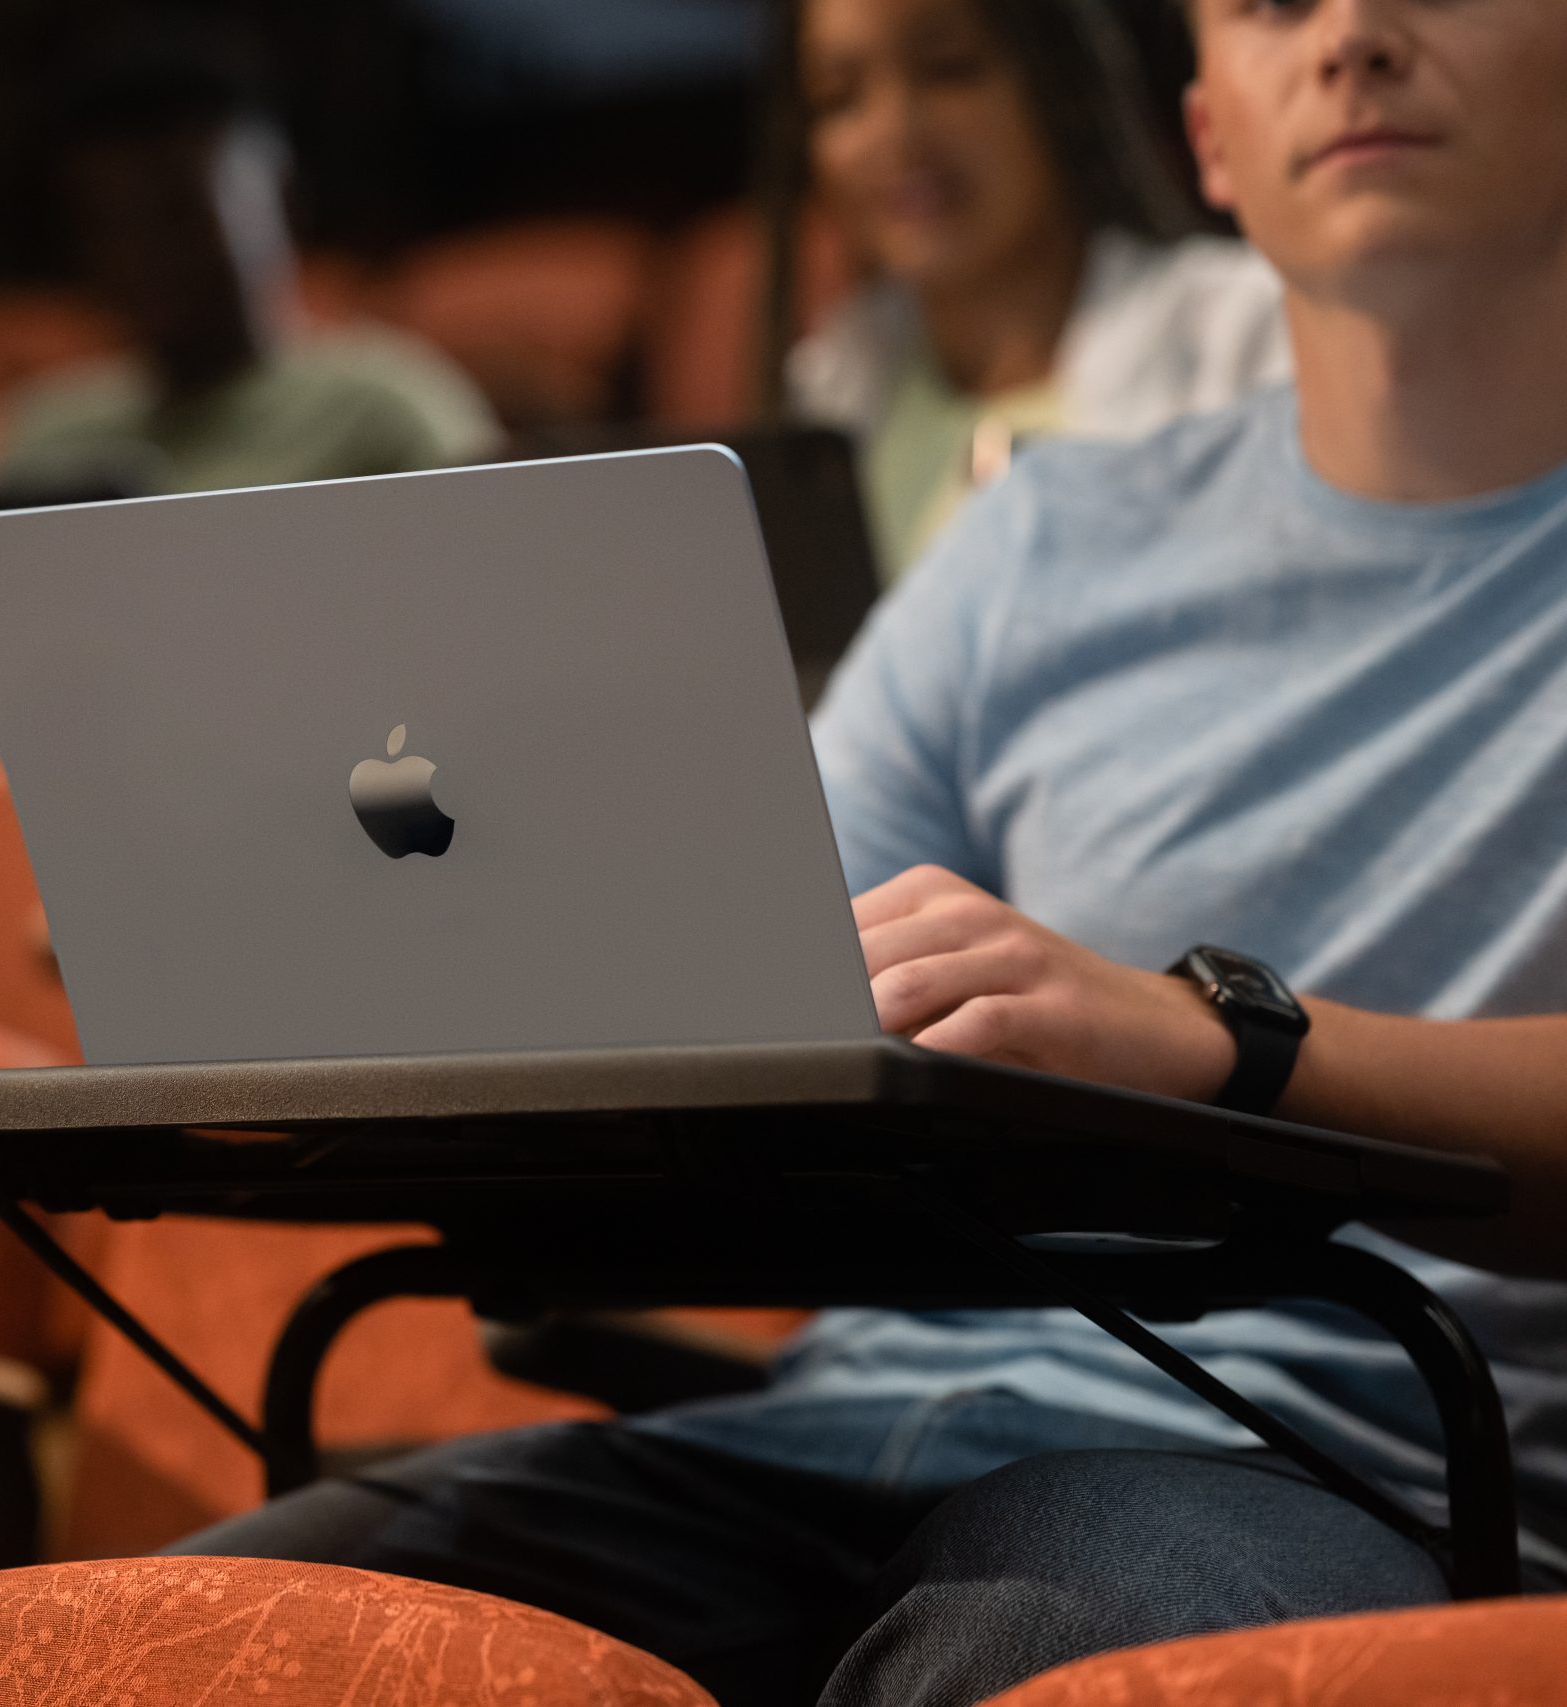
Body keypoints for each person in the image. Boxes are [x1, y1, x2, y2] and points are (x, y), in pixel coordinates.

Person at [184, 2, 1567, 1702]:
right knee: (186, 1633)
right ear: (1209, 132)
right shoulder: (1047, 535)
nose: (1352, 34)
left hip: (1331, 1446)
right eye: (1275, 4)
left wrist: (1221, 1040)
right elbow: (752, 957)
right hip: (841, 1411)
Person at [776, 0, 1291, 574]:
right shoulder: (825, 392)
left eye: (949, 68)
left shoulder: (1243, 335)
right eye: (840, 99)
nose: (897, 132)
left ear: (1060, 80)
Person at [0, 37, 502, 497]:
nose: (144, 254)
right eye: (110, 224)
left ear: (283, 198)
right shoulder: (49, 435)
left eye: (180, 213)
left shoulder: (382, 408)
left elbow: (495, 567)